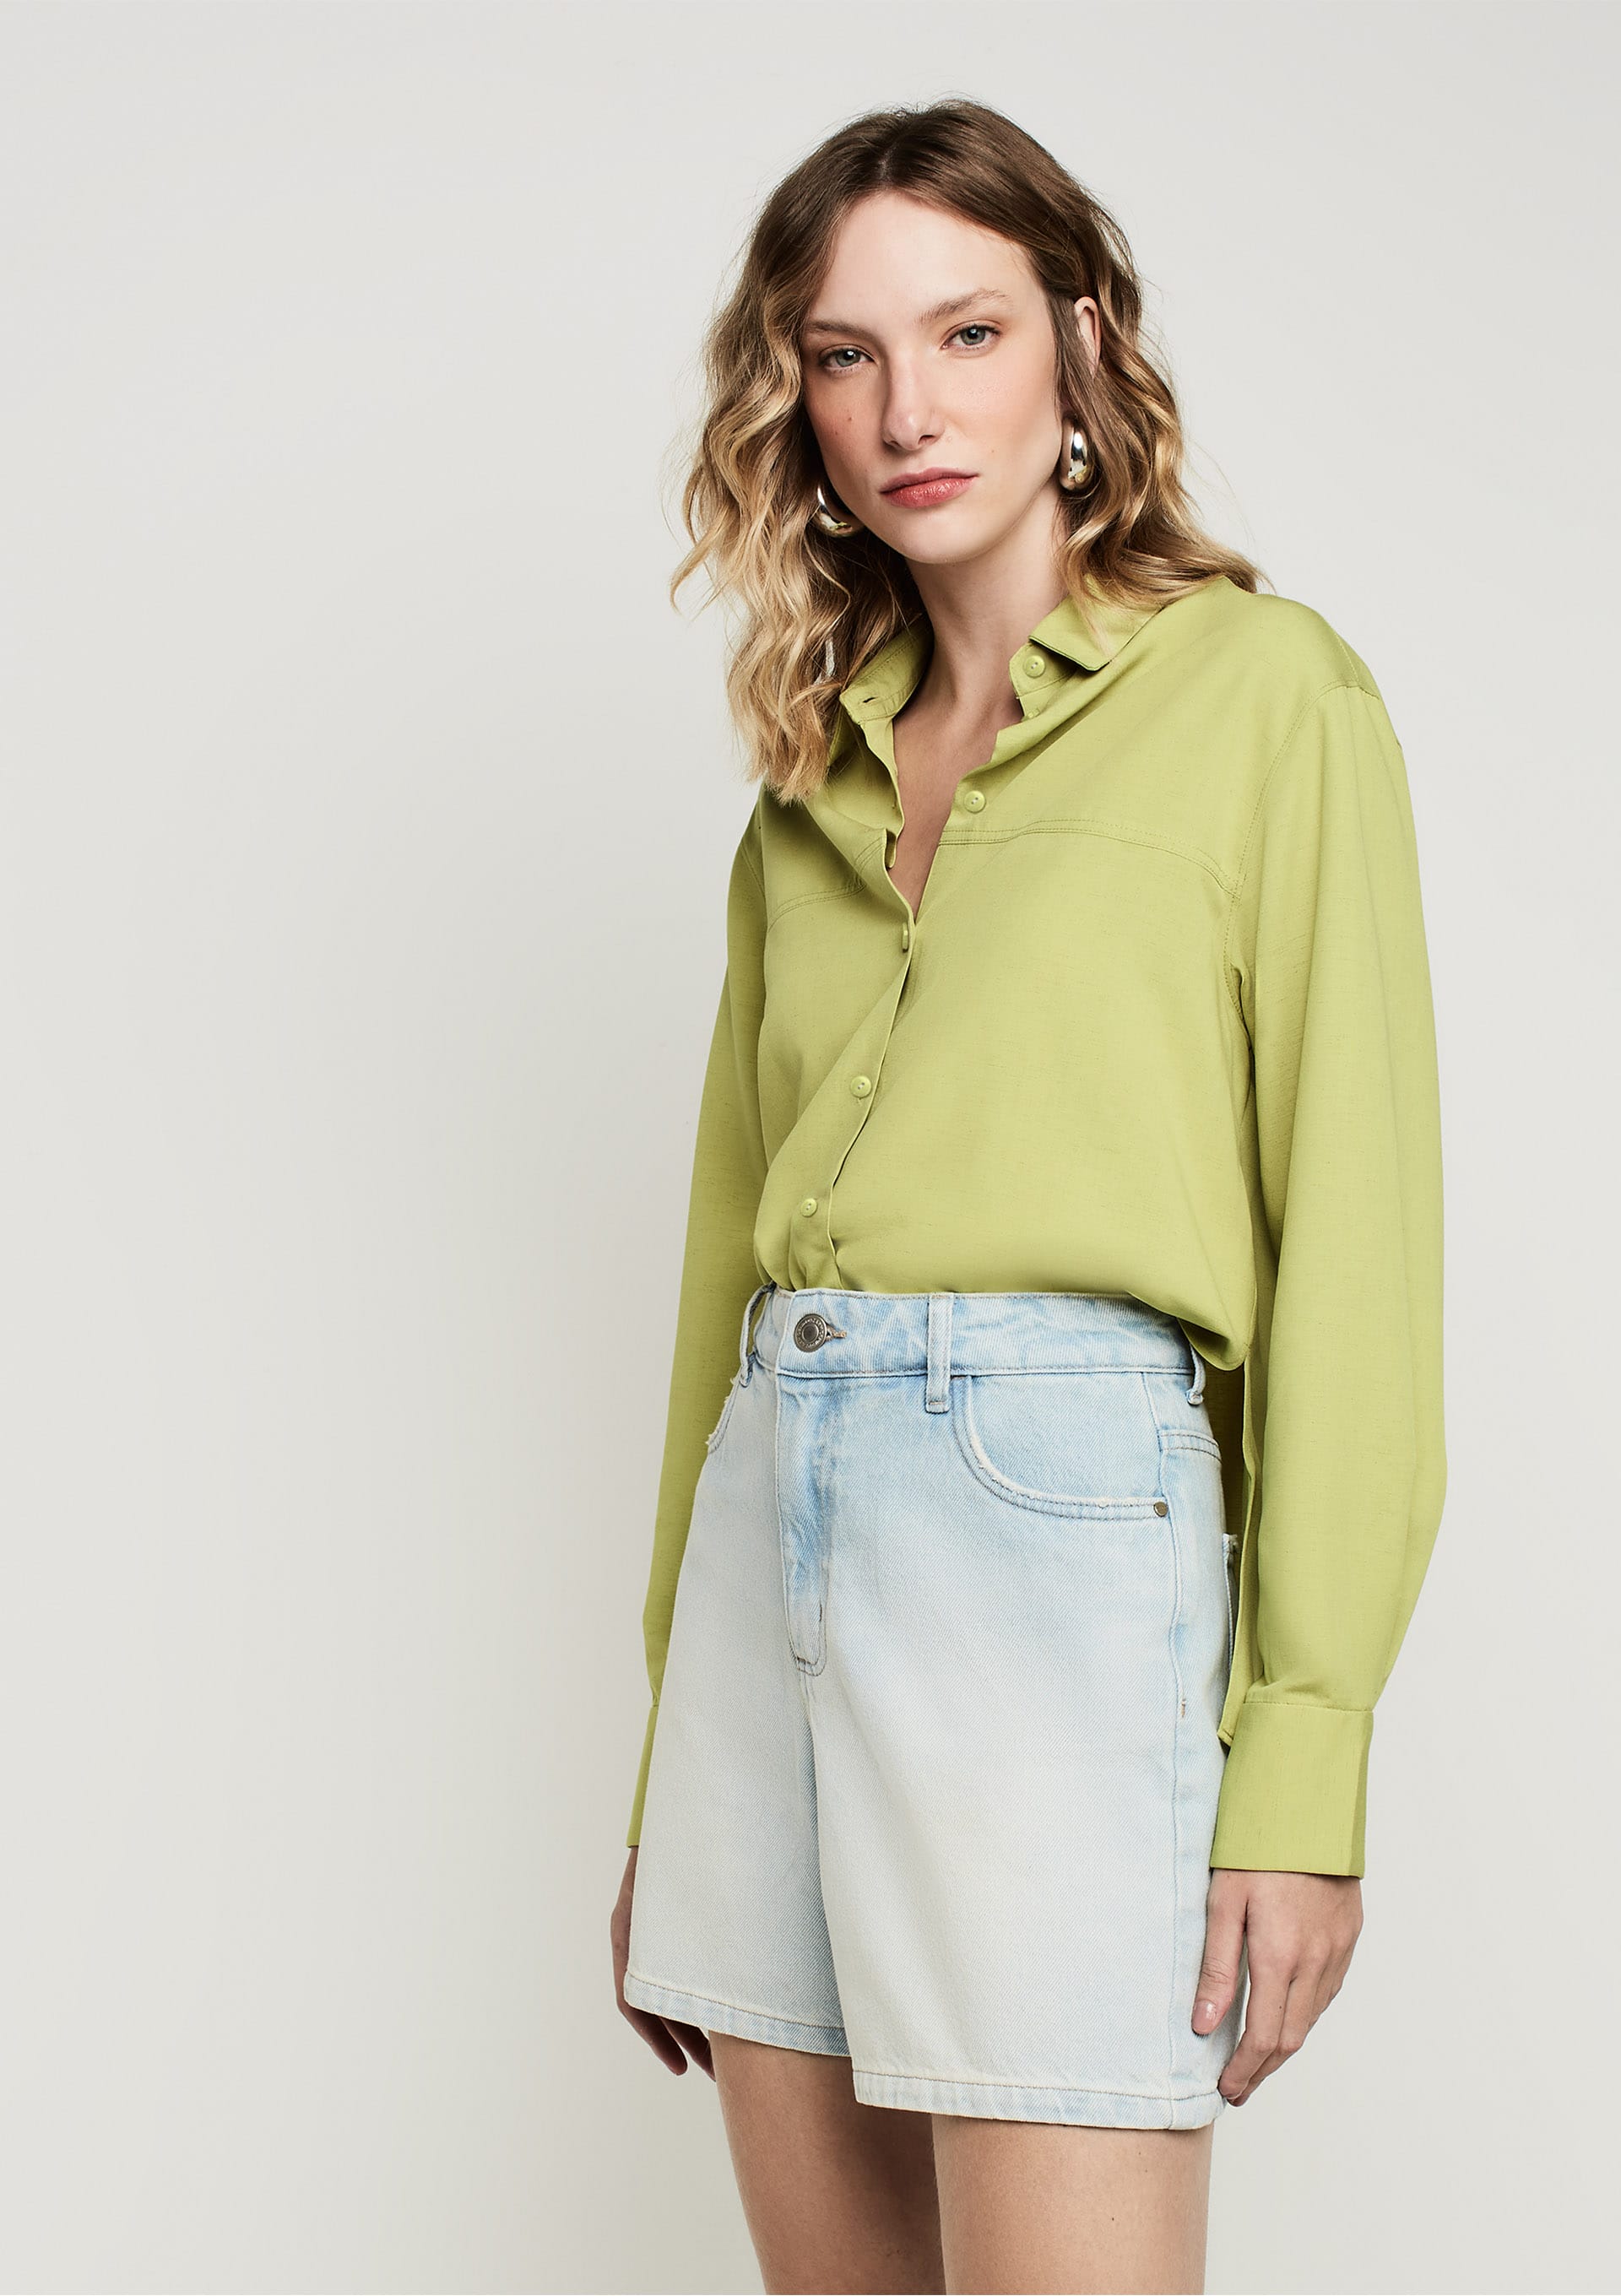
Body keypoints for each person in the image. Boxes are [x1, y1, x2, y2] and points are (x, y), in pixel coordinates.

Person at [609, 97, 1446, 2296]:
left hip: (1054, 1539)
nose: (909, 408)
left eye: (966, 332)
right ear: (797, 404)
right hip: (767, 1561)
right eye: (846, 354)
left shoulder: (1266, 700)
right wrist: (676, 1745)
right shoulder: (807, 782)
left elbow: (1358, 1249)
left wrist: (1303, 1767)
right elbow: (717, 1283)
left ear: (1079, 345)